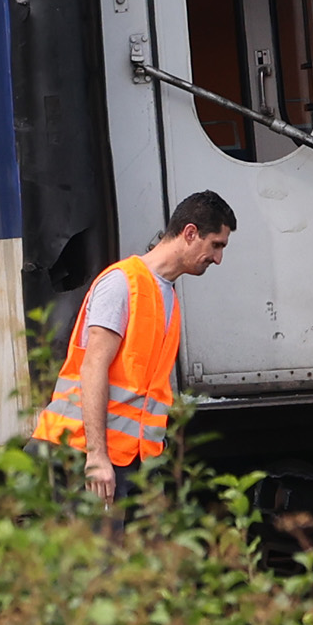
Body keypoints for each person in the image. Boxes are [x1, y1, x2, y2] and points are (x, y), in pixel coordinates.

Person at [30, 193, 235, 502]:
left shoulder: (166, 297)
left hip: (132, 459)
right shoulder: (123, 284)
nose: (218, 258)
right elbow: (93, 367)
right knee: (96, 551)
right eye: (216, 245)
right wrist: (96, 456)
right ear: (190, 233)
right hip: (84, 452)